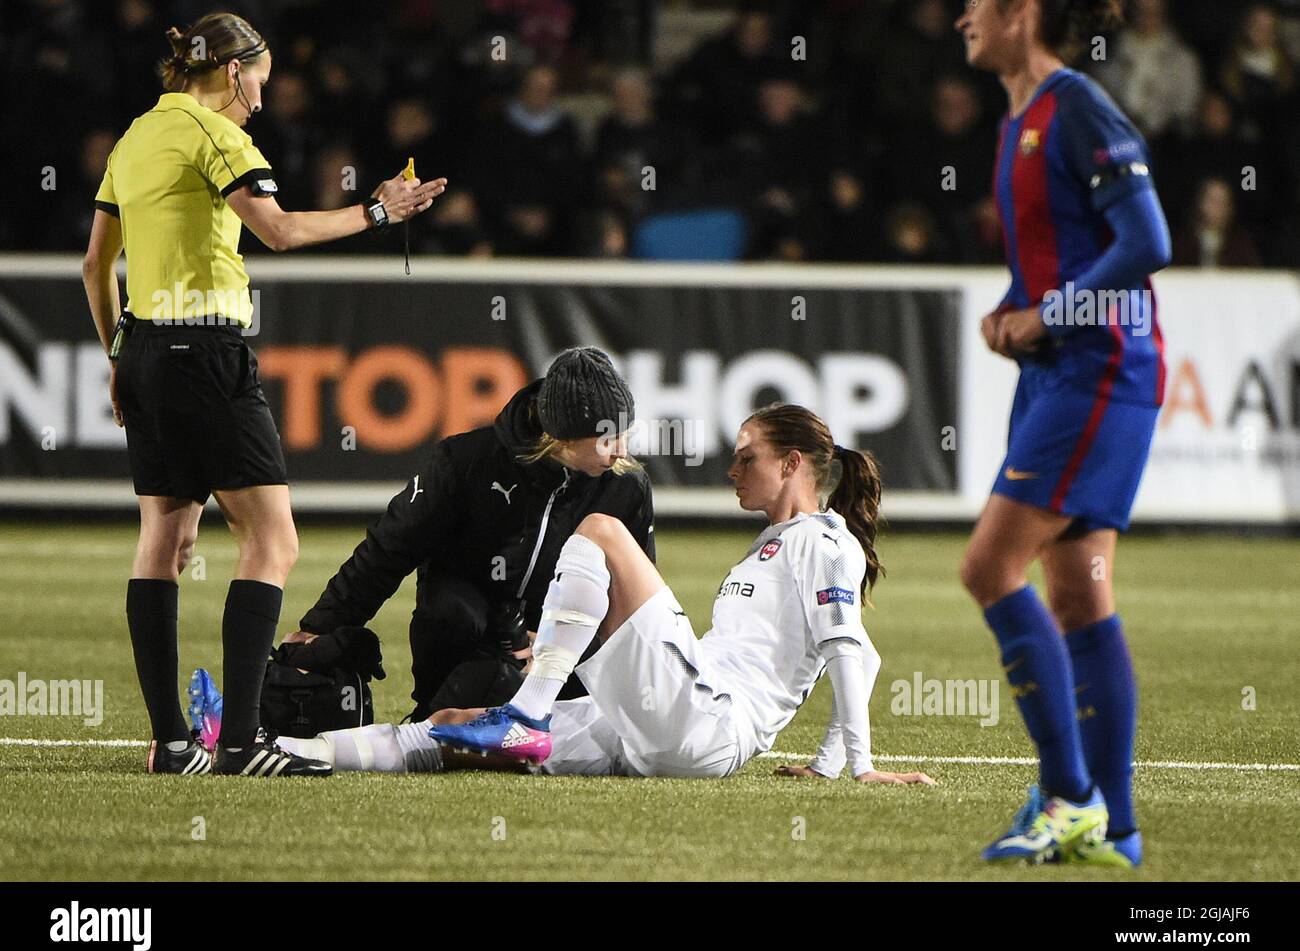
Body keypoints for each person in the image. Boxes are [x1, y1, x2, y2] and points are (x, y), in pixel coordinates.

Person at [81, 12, 447, 777]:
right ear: (236, 70)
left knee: (166, 541)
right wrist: (378, 210)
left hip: (143, 347)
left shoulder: (136, 136)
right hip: (205, 350)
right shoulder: (219, 137)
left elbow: (94, 266)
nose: (260, 99)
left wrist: (119, 351)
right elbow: (276, 231)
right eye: (262, 81)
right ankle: (243, 742)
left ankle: (173, 743)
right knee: (273, 542)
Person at [266, 405, 936, 788]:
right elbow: (852, 654)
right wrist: (822, 763)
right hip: (658, 726)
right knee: (452, 728)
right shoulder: (774, 544)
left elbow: (846, 647)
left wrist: (860, 766)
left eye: (747, 456)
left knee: (603, 531)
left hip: (708, 725)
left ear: (793, 465)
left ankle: (526, 711)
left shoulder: (822, 537)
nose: (732, 470)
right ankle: (280, 750)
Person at [953, 0, 1172, 865]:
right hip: (1059, 374)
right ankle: (1115, 828)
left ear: (1025, 11)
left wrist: (1049, 312)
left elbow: (1147, 239)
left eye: (980, 2)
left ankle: (1069, 795)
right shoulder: (1019, 119)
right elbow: (1064, 254)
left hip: (1099, 372)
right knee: (1078, 591)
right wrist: (1021, 307)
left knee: (987, 565)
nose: (964, 14)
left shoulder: (1076, 106)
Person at [286, 347, 656, 724]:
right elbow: (389, 548)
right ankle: (435, 709)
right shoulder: (466, 463)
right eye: (606, 439)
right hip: (472, 632)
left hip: (563, 644)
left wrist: (555, 643)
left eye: (624, 434)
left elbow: (634, 600)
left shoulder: (626, 487)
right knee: (452, 613)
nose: (620, 452)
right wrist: (319, 628)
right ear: (560, 435)